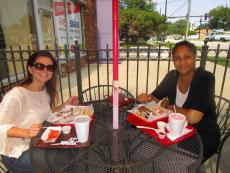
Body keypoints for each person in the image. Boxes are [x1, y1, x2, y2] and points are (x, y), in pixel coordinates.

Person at [138, 40, 220, 161]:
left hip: (202, 135)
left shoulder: (205, 78)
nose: (182, 62)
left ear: (195, 58)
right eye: (177, 58)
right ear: (173, 59)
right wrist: (146, 98)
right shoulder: (172, 76)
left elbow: (193, 117)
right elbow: (154, 98)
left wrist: (170, 106)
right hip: (175, 130)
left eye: (187, 57)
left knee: (168, 161)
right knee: (144, 147)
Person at [0, 50, 78, 173]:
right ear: (30, 69)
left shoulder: (44, 90)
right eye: (40, 66)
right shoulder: (17, 95)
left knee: (72, 149)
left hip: (39, 143)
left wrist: (65, 104)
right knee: (62, 159)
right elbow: (1, 125)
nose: (45, 71)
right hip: (18, 153)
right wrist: (26, 132)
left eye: (49, 67)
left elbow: (47, 114)